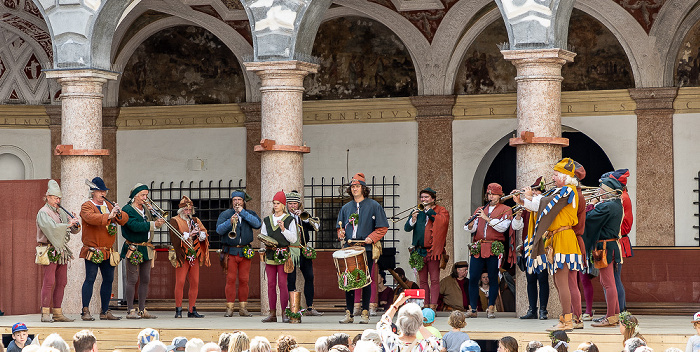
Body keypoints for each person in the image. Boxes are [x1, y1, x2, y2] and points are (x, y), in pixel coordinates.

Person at [521, 158, 583, 331]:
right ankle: (567, 319)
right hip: (560, 237)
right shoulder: (563, 191)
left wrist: (527, 199)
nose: (553, 177)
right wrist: (523, 201)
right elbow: (541, 204)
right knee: (559, 281)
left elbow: (543, 204)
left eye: (556, 175)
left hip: (564, 238)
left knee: (562, 282)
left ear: (564, 176)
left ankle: (567, 321)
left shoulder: (566, 191)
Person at [337, 173, 389, 324]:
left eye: (357, 186)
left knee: (365, 280)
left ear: (364, 188)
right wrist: (340, 234)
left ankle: (365, 313)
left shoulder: (374, 206)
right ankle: (349, 313)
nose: (354, 189)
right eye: (352, 186)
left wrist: (371, 238)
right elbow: (340, 228)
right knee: (348, 281)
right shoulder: (346, 208)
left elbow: (383, 227)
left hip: (365, 249)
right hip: (349, 249)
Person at [79, 177, 128, 321]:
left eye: (104, 191)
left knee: (108, 279)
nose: (103, 193)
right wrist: (109, 215)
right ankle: (85, 311)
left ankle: (105, 311)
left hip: (107, 250)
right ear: (93, 192)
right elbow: (90, 218)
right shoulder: (86, 205)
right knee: (90, 278)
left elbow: (124, 220)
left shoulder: (109, 205)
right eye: (100, 191)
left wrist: (118, 212)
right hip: (93, 249)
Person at [464, 183, 513, 318]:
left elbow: (503, 227)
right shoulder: (480, 209)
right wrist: (471, 224)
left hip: (494, 246)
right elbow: (472, 229)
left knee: (493, 277)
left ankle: (491, 307)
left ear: (500, 195)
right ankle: (473, 308)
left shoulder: (506, 209)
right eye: (489, 194)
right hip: (479, 246)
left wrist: (487, 219)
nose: (491, 196)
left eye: (494, 194)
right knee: (473, 277)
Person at [36, 179, 80, 322]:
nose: (58, 200)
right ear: (48, 197)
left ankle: (57, 313)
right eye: (55, 198)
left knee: (62, 281)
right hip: (49, 249)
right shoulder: (43, 212)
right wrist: (68, 224)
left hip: (61, 250)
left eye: (59, 198)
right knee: (49, 281)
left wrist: (74, 224)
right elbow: (52, 229)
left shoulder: (60, 211)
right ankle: (45, 313)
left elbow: (71, 232)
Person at [121, 183, 166, 319]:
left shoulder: (146, 208)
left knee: (145, 279)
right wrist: (153, 224)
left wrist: (154, 215)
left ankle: (141, 309)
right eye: (143, 195)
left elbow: (152, 224)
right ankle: (130, 310)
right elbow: (134, 226)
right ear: (135, 196)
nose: (145, 198)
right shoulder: (127, 209)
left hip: (146, 247)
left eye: (146, 195)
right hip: (133, 247)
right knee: (132, 279)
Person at [584, 177, 624, 327]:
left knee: (608, 283)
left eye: (602, 189)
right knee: (607, 281)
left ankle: (611, 316)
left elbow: (589, 218)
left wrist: (591, 205)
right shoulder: (614, 204)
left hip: (606, 247)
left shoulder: (607, 206)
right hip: (608, 246)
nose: (598, 191)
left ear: (608, 192)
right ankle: (615, 314)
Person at [216, 189, 262, 317]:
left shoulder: (249, 213)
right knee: (230, 280)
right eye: (234, 200)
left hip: (245, 251)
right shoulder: (226, 214)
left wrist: (243, 213)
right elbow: (219, 230)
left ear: (243, 201)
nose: (237, 202)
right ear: (232, 201)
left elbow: (258, 224)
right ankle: (229, 308)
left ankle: (243, 308)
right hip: (230, 251)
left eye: (239, 200)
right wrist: (229, 222)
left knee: (244, 280)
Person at [403, 187, 449, 310]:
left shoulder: (441, 210)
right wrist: (413, 219)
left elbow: (442, 222)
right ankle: (425, 305)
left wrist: (429, 210)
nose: (423, 199)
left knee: (434, 280)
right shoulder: (417, 210)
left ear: (433, 199)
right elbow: (407, 228)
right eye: (422, 197)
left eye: (426, 197)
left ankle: (433, 306)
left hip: (433, 251)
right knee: (422, 281)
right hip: (419, 251)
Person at [512, 177, 549, 320]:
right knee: (530, 278)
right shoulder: (527, 205)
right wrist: (519, 215)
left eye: (535, 191)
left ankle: (543, 310)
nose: (533, 193)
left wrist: (526, 199)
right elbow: (517, 227)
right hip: (528, 244)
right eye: (532, 190)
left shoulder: (543, 203)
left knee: (542, 277)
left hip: (541, 243)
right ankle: (532, 309)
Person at [169, 195, 211, 318]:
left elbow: (205, 233)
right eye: (186, 210)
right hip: (182, 254)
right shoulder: (174, 220)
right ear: (181, 211)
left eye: (190, 210)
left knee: (195, 282)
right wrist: (189, 234)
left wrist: (200, 234)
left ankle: (192, 309)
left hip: (194, 254)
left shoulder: (196, 220)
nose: (188, 212)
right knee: (180, 282)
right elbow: (175, 238)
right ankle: (178, 309)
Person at [260, 191, 297, 323]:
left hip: (283, 254)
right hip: (270, 254)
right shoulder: (267, 220)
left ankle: (284, 313)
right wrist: (266, 242)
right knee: (270, 284)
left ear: (283, 205)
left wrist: (283, 229)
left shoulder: (289, 220)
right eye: (274, 203)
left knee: (282, 284)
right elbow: (263, 236)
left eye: (278, 203)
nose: (275, 206)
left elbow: (293, 238)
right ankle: (272, 313)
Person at [285, 190, 323, 316]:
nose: (292, 206)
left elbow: (316, 227)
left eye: (294, 204)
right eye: (290, 203)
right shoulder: (284, 217)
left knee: (310, 277)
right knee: (291, 279)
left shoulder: (304, 215)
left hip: (303, 250)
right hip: (290, 251)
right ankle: (292, 308)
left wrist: (304, 217)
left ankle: (310, 308)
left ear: (299, 204)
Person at [377, 292, 441, 352]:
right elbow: (438, 343)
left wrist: (396, 304)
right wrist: (418, 323)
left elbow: (383, 323)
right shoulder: (425, 346)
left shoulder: (392, 343)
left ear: (399, 322)